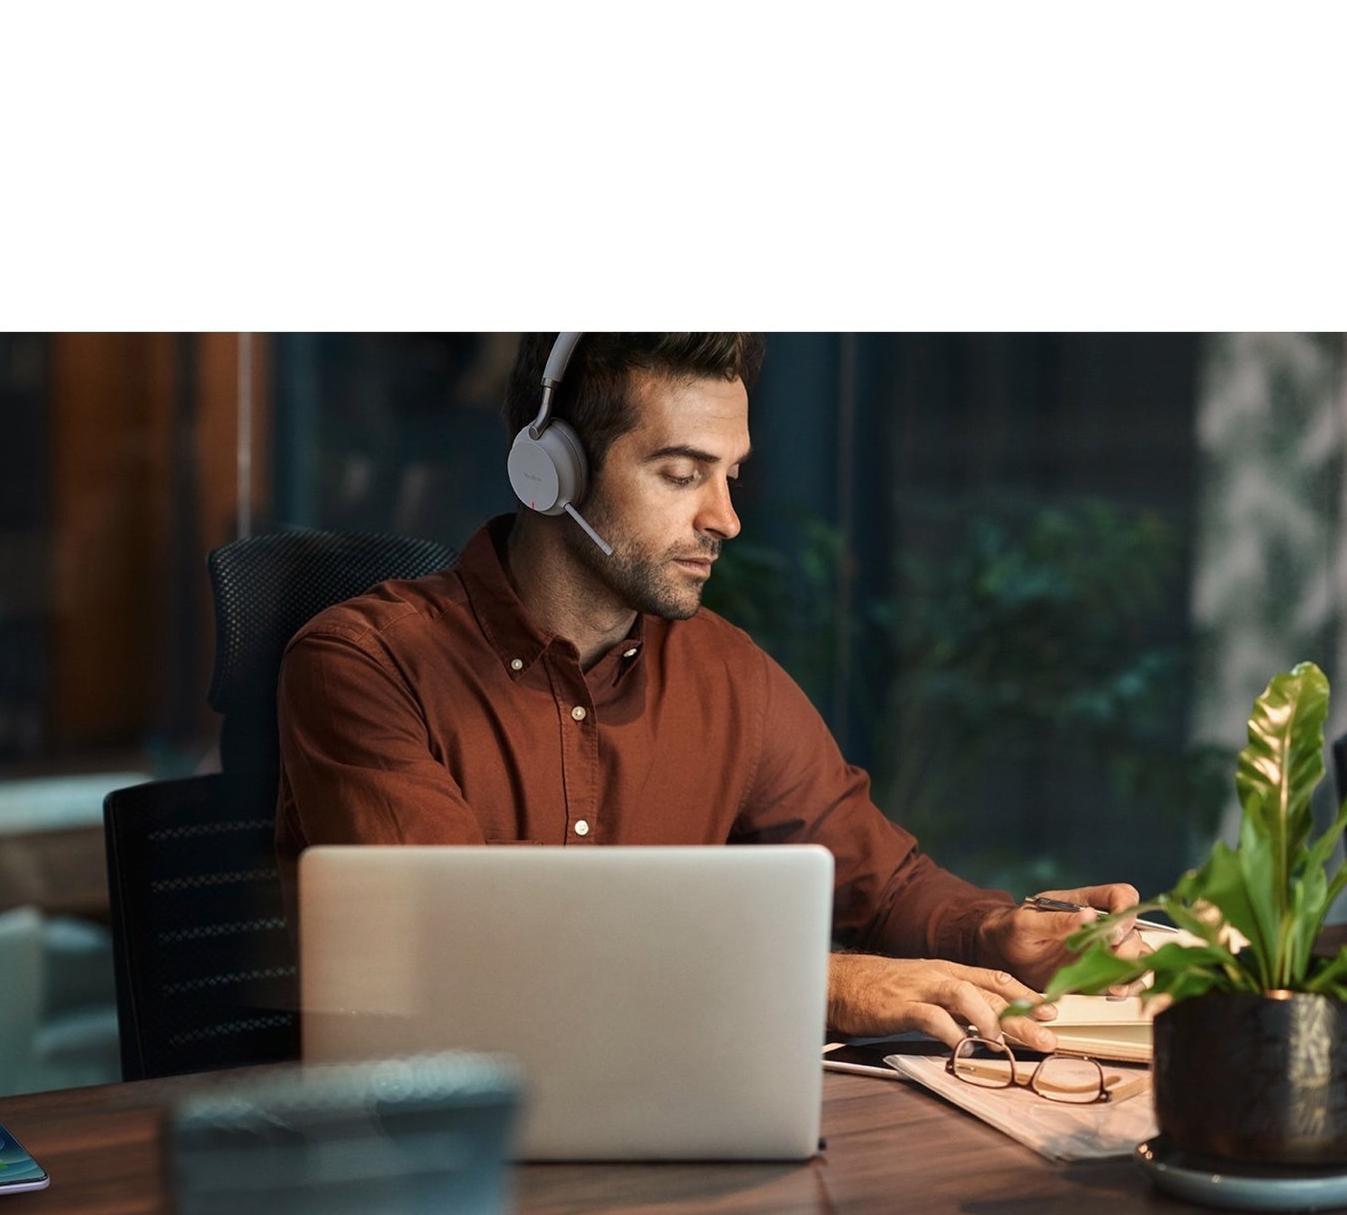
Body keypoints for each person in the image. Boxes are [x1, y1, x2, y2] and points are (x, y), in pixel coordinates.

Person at [275, 332, 1146, 1052]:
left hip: (667, 1139)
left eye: (730, 474)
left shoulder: (725, 673)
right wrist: (816, 984)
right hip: (433, 1153)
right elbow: (462, 947)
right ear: (553, 472)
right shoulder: (363, 664)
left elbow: (882, 884)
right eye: (684, 475)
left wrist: (999, 934)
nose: (726, 518)